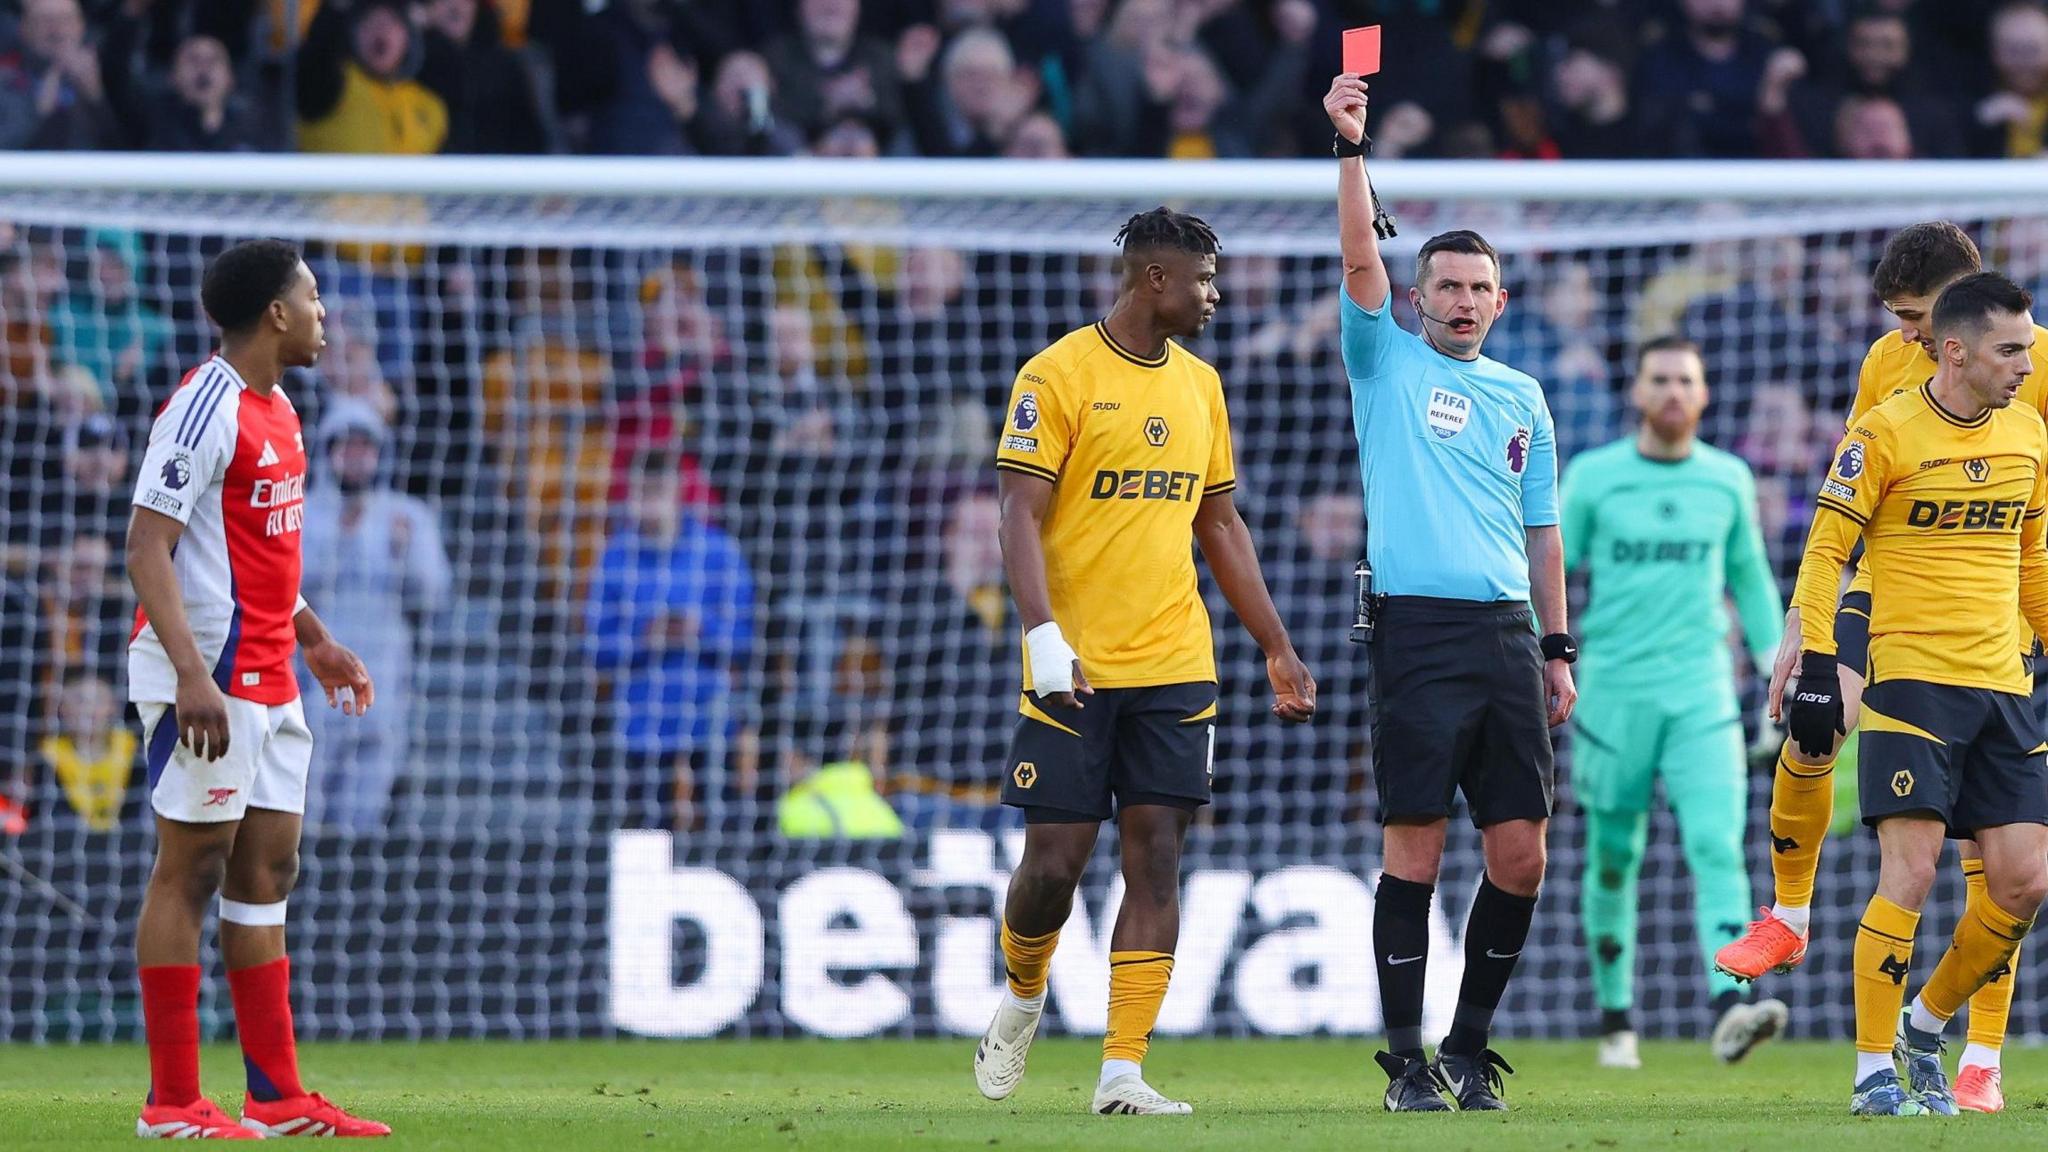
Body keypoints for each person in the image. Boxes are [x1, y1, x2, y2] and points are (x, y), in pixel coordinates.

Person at [972, 207, 1316, 1116]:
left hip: (1175, 660)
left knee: (1156, 856)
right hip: (1073, 665)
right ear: (1154, 280)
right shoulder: (1057, 375)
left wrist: (1275, 645)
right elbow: (1017, 511)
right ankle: (1023, 991)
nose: (1217, 295)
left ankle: (1122, 1069)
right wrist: (1043, 635)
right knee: (1052, 866)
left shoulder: (1202, 386)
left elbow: (1219, 521)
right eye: (1205, 279)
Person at [1716, 222, 2048, 1114]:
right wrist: (1808, 632)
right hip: (1898, 601)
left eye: (1911, 316)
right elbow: (1842, 526)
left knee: (2010, 869)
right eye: (1898, 321)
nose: (1899, 334)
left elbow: (2031, 531)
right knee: (1816, 716)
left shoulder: (2031, 381)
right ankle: (1790, 917)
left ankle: (1974, 1049)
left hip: (1996, 619)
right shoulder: (1890, 377)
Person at [1325, 72, 1576, 1112]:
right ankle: (1402, 1062)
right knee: (1413, 850)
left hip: (1506, 637)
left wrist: (1557, 648)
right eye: (1447, 286)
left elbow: (1540, 527)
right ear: (1417, 297)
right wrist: (1349, 150)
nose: (1463, 302)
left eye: (1479, 288)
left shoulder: (1521, 395)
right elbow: (1354, 253)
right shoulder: (1380, 360)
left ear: (1498, 301)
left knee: (1519, 856)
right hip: (1416, 636)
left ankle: (1468, 1048)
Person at [125, 239, 387, 1139]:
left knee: (268, 872)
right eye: (313, 297)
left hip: (273, 674)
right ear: (276, 313)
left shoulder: (281, 409)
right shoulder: (205, 407)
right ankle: (170, 1104)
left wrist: (316, 639)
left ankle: (276, 1096)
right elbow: (146, 545)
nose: (323, 314)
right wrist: (193, 676)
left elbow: (259, 552)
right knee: (189, 868)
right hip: (208, 675)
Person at [1560, 336, 1787, 1071]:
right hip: (1614, 696)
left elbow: (1751, 582)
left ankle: (1731, 1006)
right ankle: (1616, 1021)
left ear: (1705, 393)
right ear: (1637, 391)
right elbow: (1552, 569)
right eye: (1659, 379)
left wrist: (1772, 668)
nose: (1672, 392)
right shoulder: (1594, 478)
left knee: (1718, 846)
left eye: (1686, 380)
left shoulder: (1727, 479)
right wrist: (1547, 652)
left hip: (1702, 695)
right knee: (1614, 857)